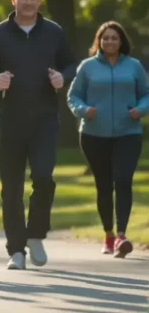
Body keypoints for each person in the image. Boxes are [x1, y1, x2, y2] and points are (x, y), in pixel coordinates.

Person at [0, 0, 78, 270]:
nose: (28, 2)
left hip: (44, 120)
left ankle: (35, 234)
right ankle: (16, 251)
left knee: (44, 178)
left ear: (39, 1)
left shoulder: (53, 32)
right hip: (8, 122)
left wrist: (63, 77)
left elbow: (72, 64)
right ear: (13, 0)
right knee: (11, 189)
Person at [67, 21, 148, 259]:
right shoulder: (87, 67)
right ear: (99, 41)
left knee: (123, 181)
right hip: (93, 135)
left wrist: (140, 110)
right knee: (103, 186)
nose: (110, 42)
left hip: (128, 134)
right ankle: (109, 234)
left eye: (114, 38)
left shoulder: (133, 66)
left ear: (121, 41)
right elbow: (73, 96)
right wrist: (84, 110)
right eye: (105, 38)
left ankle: (122, 235)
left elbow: (146, 94)